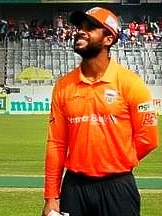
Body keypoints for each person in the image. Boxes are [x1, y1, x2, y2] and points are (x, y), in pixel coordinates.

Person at [42, 7, 159, 216]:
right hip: (74, 188)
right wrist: (51, 197)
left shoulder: (131, 84)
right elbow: (57, 144)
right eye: (80, 27)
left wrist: (115, 161)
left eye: (91, 27)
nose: (80, 31)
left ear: (108, 39)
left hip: (118, 187)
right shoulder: (63, 86)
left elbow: (148, 139)